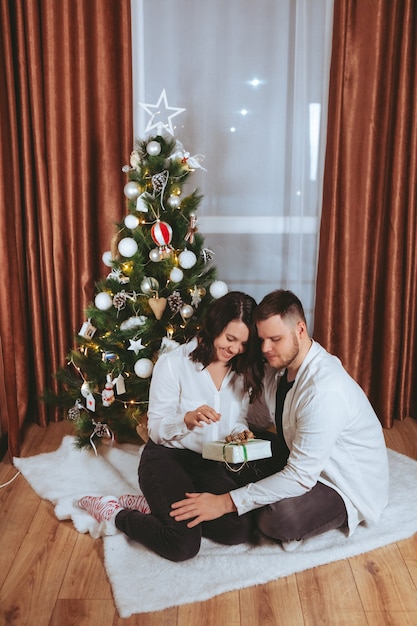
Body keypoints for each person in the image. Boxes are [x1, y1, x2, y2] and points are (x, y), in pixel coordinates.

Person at [170, 289, 389, 551]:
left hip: (341, 482)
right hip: (300, 458)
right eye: (262, 339)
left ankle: (283, 516)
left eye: (275, 339)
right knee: (236, 455)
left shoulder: (324, 390)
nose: (265, 349)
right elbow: (259, 418)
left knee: (277, 518)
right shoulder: (280, 371)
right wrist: (217, 418)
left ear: (300, 330)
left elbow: (299, 476)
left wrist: (224, 502)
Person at [78, 291, 267, 561]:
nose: (235, 349)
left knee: (239, 529)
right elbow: (156, 429)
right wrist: (186, 419)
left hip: (210, 461)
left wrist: (239, 433)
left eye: (243, 344)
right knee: (182, 544)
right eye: (230, 339)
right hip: (167, 457)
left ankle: (157, 507)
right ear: (214, 327)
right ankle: (115, 513)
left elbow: (237, 419)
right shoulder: (174, 363)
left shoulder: (240, 371)